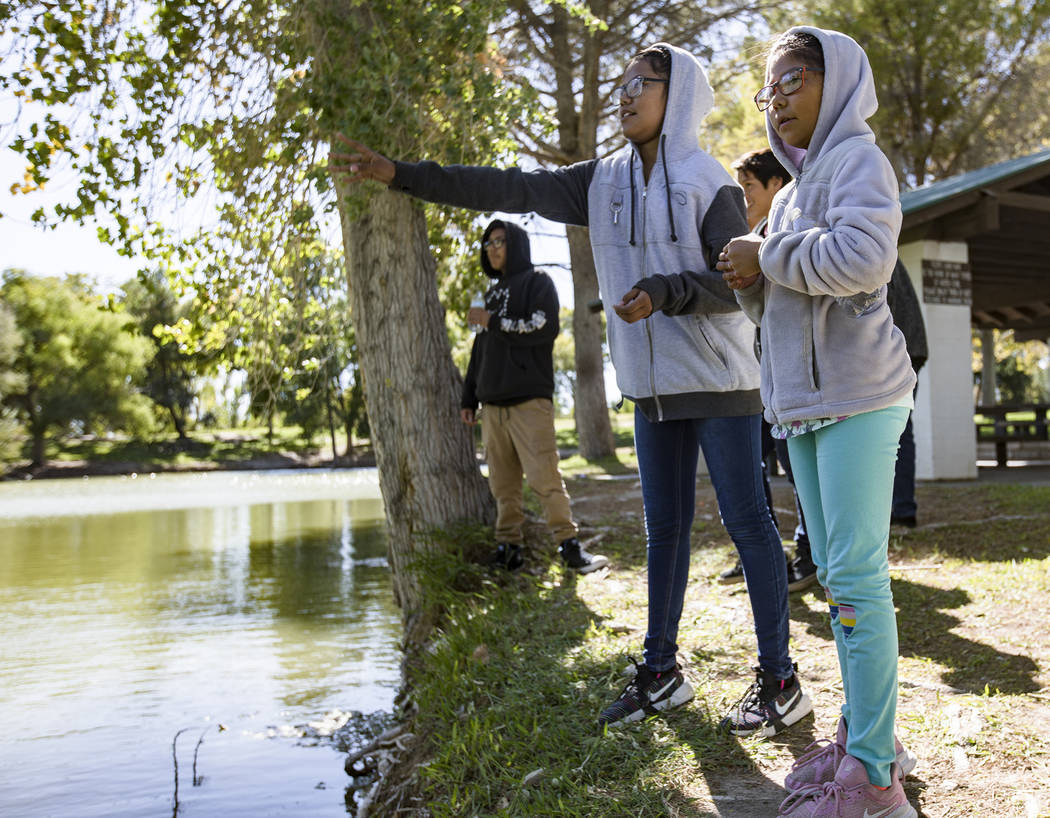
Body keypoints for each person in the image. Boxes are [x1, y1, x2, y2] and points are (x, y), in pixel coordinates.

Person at [331, 43, 812, 737]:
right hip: (650, 391)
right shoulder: (601, 180)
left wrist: (668, 290)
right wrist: (399, 174)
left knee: (747, 526)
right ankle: (661, 672)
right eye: (619, 85)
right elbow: (506, 187)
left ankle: (780, 680)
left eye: (639, 84)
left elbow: (738, 282)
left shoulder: (710, 183)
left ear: (675, 96)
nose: (624, 95)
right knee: (666, 530)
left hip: (719, 381)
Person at [719, 27, 919, 818]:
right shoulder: (796, 186)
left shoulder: (859, 160)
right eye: (768, 88)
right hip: (804, 410)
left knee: (857, 580)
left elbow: (865, 259)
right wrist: (748, 274)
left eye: (791, 78)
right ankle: (868, 734)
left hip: (863, 396)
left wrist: (767, 255)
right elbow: (785, 296)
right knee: (837, 579)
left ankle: (874, 781)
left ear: (835, 80)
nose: (776, 99)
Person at [460, 218, 608, 573]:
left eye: (499, 241)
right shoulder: (491, 293)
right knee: (502, 485)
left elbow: (543, 327)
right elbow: (481, 350)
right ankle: (508, 549)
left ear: (517, 243)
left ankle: (569, 546)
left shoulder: (538, 283)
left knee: (545, 479)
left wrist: (492, 321)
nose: (492, 249)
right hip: (492, 407)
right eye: (488, 244)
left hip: (529, 402)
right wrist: (469, 397)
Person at [717, 148, 817, 593]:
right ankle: (765, 551)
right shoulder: (748, 238)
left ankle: (809, 554)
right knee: (757, 467)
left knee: (796, 471)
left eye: (749, 188)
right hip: (754, 378)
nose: (742, 199)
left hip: (788, 381)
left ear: (776, 185)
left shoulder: (784, 233)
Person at [886, 259, 928, 528]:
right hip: (911, 348)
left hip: (898, 351)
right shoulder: (891, 254)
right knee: (901, 429)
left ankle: (901, 507)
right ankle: (902, 506)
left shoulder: (879, 250)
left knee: (897, 431)